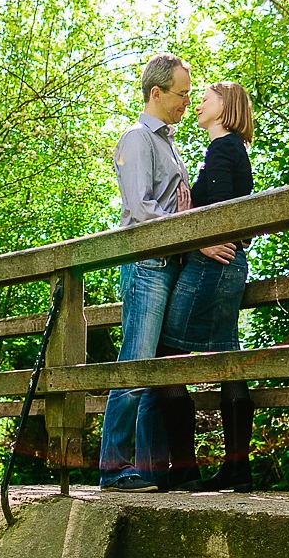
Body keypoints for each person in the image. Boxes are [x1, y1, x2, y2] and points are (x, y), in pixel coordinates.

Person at [98, 55, 241, 492]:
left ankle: (147, 468)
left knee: (155, 372)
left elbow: (180, 205)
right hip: (147, 266)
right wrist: (198, 240)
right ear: (156, 93)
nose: (186, 102)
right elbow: (141, 209)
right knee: (136, 365)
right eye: (181, 94)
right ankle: (113, 468)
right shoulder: (137, 139)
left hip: (170, 265)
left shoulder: (169, 142)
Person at [151, 81, 255, 493]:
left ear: (225, 106)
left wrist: (191, 224)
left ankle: (185, 468)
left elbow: (224, 214)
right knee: (228, 355)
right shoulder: (230, 150)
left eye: (206, 98)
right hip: (228, 265)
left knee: (168, 355)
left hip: (213, 265)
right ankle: (236, 469)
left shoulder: (223, 148)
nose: (197, 104)